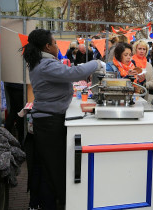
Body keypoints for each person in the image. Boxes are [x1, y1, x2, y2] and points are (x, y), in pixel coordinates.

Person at [22, 29, 103, 209]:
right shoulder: (46, 65)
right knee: (53, 168)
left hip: (48, 120)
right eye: (55, 43)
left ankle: (50, 201)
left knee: (49, 167)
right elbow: (74, 73)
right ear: (47, 46)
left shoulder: (42, 62)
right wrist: (96, 62)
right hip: (49, 123)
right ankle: (54, 203)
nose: (57, 46)